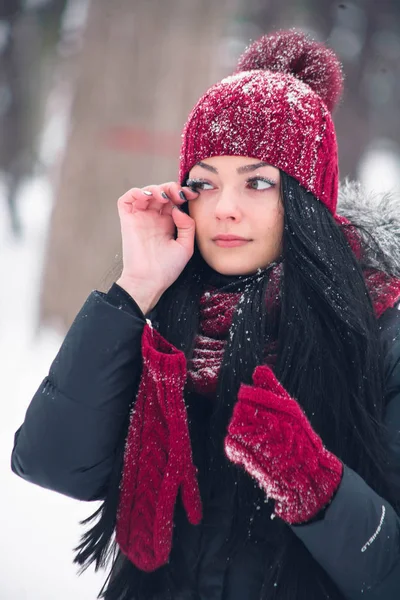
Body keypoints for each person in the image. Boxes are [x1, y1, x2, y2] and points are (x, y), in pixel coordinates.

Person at [11, 29, 400, 600]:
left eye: (258, 182)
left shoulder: (379, 338)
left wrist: (316, 487)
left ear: (305, 199)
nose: (225, 207)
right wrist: (135, 288)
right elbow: (52, 464)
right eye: (204, 183)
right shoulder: (165, 323)